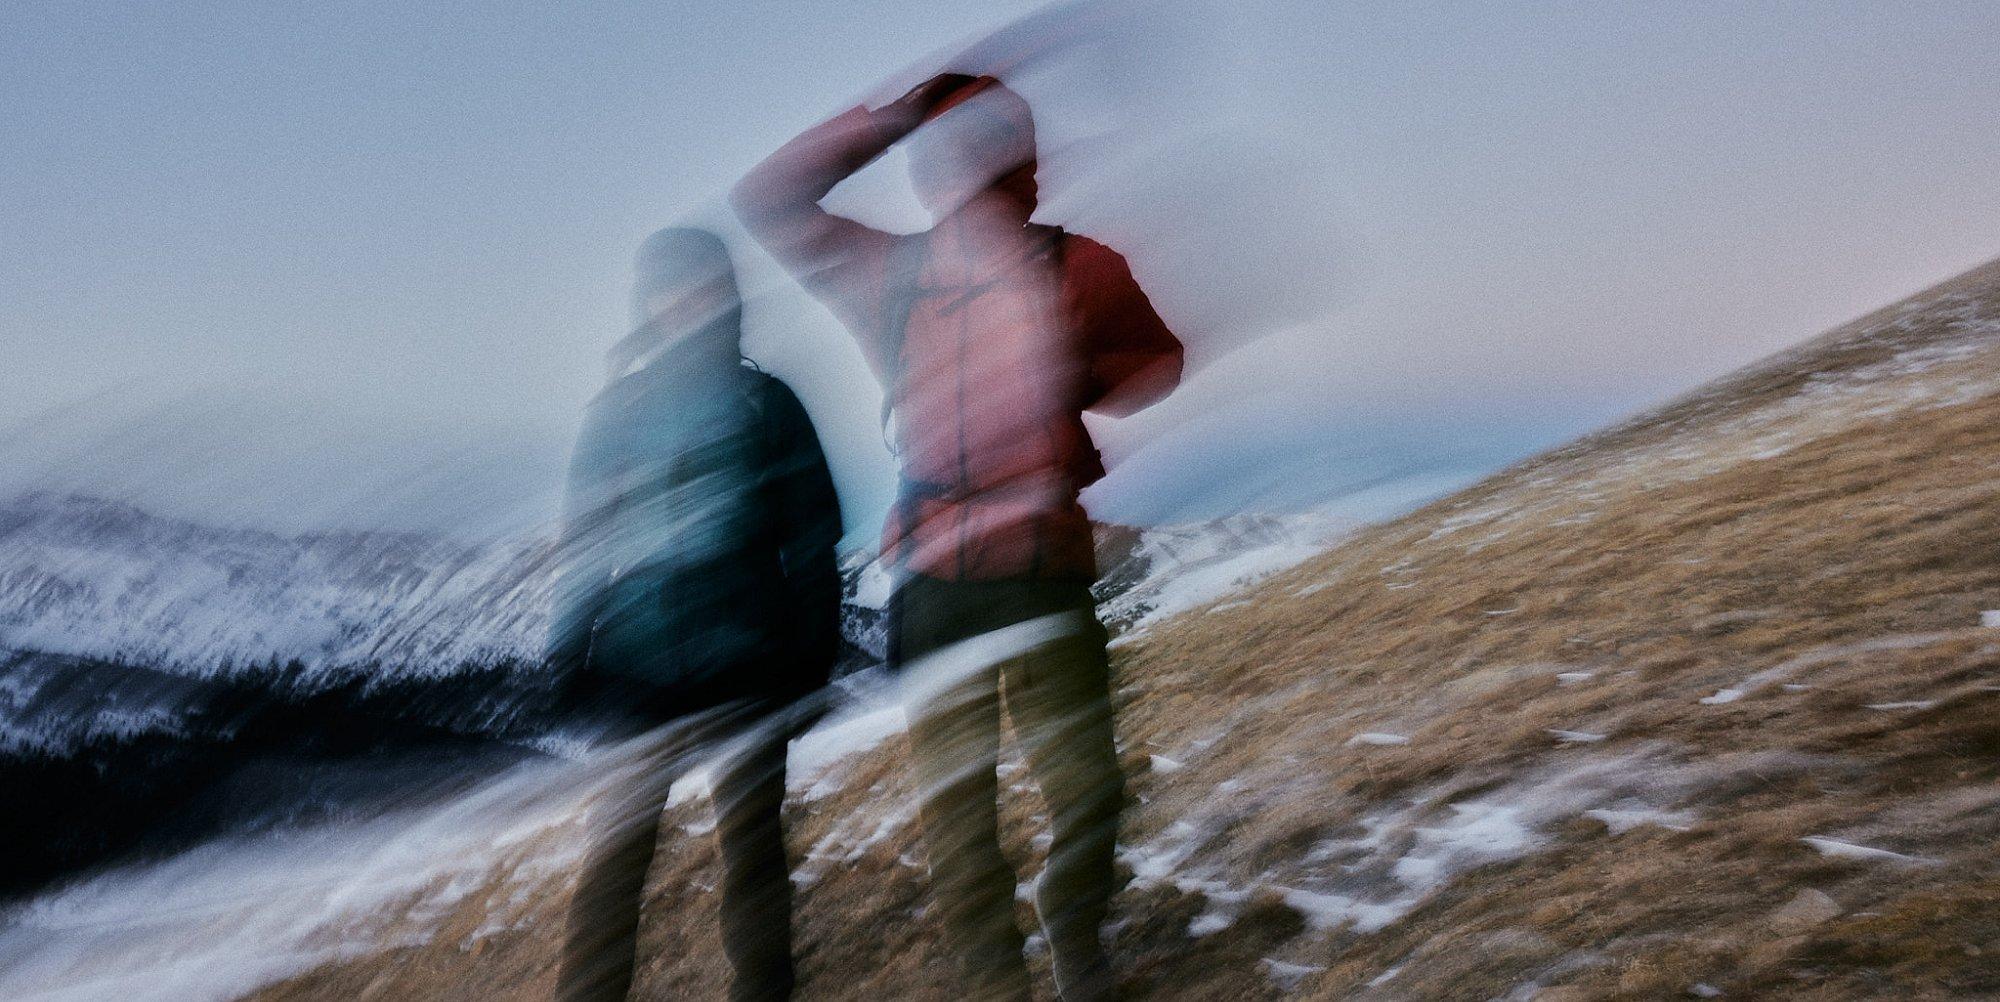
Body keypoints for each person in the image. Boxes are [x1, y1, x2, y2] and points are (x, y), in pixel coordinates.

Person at [732, 74, 1183, 1002]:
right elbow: (1157, 367)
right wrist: (891, 115)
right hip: (985, 576)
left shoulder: (973, 270)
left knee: (1023, 795)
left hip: (992, 574)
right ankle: (1030, 966)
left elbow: (1158, 363)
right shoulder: (953, 271)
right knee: (1022, 796)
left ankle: (1052, 950)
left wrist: (1066, 378)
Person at [547, 226, 843, 1002]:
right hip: (637, 666)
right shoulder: (619, 410)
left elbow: (812, 541)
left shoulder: (765, 402)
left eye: (702, 285)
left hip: (749, 664)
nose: (686, 301)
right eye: (669, 288)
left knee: (752, 860)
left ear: (727, 295)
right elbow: (586, 540)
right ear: (647, 302)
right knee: (612, 869)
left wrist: (812, 658)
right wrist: (564, 654)